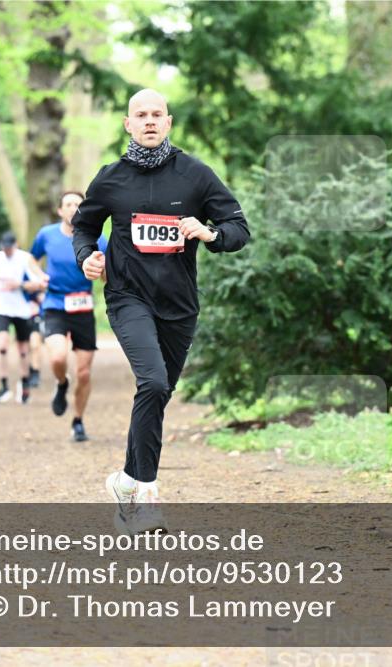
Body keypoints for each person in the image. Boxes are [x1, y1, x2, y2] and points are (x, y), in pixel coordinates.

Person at [72, 88, 250, 530]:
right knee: (151, 381)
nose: (149, 121)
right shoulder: (110, 178)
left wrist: (209, 234)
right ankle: (147, 500)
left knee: (158, 393)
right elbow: (84, 227)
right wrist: (87, 257)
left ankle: (127, 482)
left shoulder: (195, 175)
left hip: (179, 304)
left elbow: (238, 227)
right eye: (140, 115)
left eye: (157, 114)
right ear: (128, 125)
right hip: (127, 297)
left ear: (168, 123)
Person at [30, 190, 108, 442]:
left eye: (78, 204)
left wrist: (105, 271)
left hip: (83, 307)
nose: (74, 208)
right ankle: (61, 383)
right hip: (54, 305)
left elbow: (108, 274)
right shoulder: (47, 235)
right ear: (60, 210)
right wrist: (38, 276)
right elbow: (31, 259)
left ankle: (78, 421)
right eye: (69, 204)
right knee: (58, 357)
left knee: (84, 373)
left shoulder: (98, 238)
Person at [0, 231, 47, 404]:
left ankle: (25, 383)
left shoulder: (25, 258)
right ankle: (4, 385)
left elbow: (39, 284)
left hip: (22, 309)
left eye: (9, 248)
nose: (7, 251)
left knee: (23, 350)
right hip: (2, 309)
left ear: (16, 245)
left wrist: (18, 284)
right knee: (2, 345)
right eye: (4, 248)